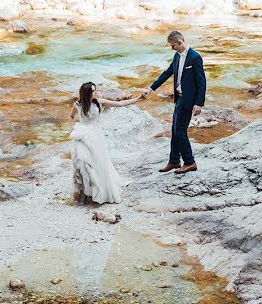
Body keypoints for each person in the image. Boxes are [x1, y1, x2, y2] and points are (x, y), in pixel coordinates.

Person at [141, 30, 206, 175]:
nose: (172, 48)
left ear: (180, 42)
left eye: (173, 45)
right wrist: (150, 89)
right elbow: (166, 73)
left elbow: (202, 82)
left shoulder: (195, 58)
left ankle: (190, 162)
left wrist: (199, 103)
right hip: (179, 98)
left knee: (180, 131)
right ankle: (174, 160)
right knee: (174, 130)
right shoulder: (177, 56)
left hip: (188, 100)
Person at [69, 81, 142, 205]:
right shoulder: (77, 105)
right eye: (93, 91)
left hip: (96, 137)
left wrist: (138, 98)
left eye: (95, 90)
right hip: (82, 135)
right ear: (87, 93)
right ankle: (85, 192)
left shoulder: (99, 102)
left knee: (97, 163)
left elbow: (120, 104)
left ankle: (98, 190)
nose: (96, 93)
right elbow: (71, 117)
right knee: (82, 162)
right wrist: (75, 128)